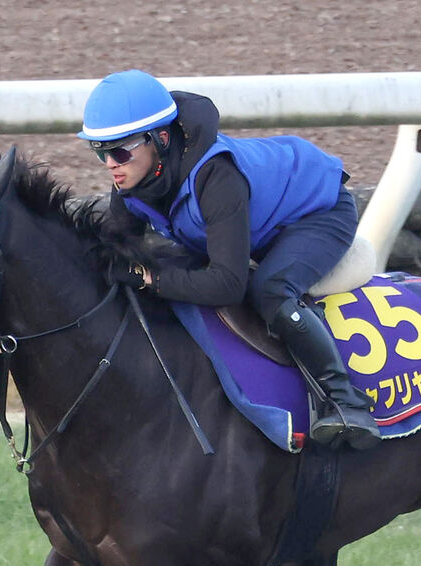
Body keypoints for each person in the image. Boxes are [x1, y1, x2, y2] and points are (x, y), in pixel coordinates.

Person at [79, 69, 381, 450]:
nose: (110, 163)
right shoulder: (131, 184)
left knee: (269, 289)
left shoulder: (216, 177)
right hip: (262, 218)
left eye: (120, 150)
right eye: (100, 151)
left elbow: (227, 285)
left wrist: (149, 279)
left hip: (318, 212)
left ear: (161, 138)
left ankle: (344, 402)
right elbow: (113, 257)